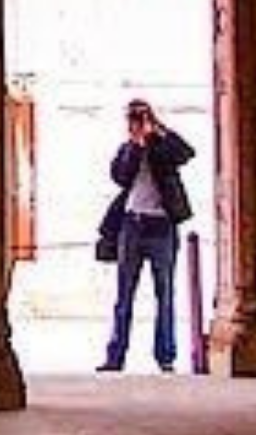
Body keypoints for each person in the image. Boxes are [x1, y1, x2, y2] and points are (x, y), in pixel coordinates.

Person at [97, 97, 194, 373]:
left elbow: (186, 153)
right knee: (124, 293)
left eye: (141, 118)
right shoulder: (127, 149)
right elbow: (120, 177)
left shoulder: (164, 146)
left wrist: (158, 133)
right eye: (133, 119)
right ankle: (115, 356)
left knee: (164, 293)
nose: (137, 123)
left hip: (162, 225)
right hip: (133, 225)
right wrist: (136, 145)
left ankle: (165, 356)